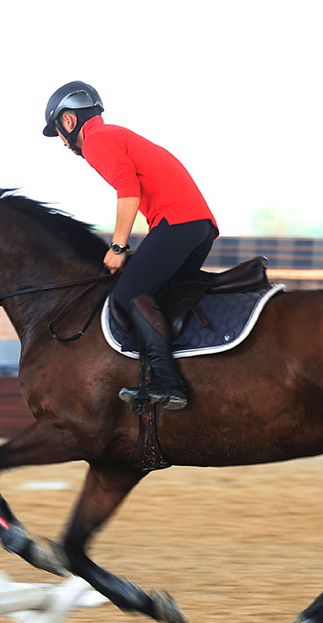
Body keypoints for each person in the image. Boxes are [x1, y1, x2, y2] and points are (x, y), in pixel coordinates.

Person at [43, 80, 219, 411]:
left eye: (59, 134)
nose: (63, 143)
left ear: (68, 120)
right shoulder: (116, 135)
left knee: (127, 293)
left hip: (178, 223)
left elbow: (127, 190)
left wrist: (118, 247)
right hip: (200, 228)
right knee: (159, 297)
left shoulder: (96, 140)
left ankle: (168, 382)